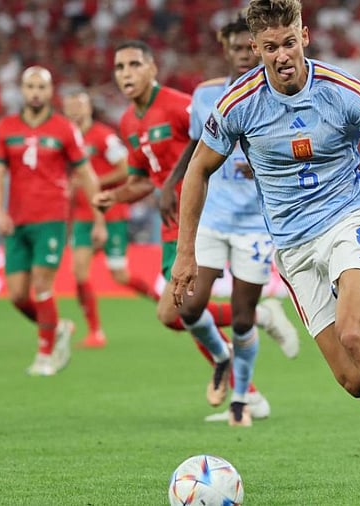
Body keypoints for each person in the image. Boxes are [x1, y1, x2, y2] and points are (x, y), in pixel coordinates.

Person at [170, 0, 360, 498]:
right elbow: (197, 170)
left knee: (353, 332)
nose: (281, 55)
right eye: (269, 47)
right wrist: (185, 252)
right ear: (255, 48)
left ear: (303, 35)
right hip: (293, 245)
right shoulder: (238, 104)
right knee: (352, 376)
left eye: (288, 42)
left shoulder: (342, 92)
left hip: (352, 218)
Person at [93, 40, 274, 419]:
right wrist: (116, 196)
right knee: (182, 313)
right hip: (168, 226)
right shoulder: (128, 122)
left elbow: (204, 146)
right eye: (119, 67)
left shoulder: (179, 105)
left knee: (175, 312)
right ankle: (247, 359)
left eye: (133, 64)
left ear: (152, 68)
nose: (126, 73)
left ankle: (242, 362)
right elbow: (143, 179)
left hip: (199, 219)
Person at [159, 16, 300, 426]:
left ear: (259, 49)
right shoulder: (205, 95)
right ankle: (221, 358)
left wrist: (269, 166)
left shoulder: (276, 93)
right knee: (187, 305)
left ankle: (240, 402)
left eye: (249, 48)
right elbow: (195, 144)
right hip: (214, 217)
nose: (243, 55)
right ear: (226, 49)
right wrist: (172, 181)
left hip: (255, 222)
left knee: (241, 317)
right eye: (236, 48)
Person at [0, 66, 106, 375]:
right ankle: (57, 326)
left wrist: (98, 218)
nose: (35, 92)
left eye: (41, 87)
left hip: (51, 218)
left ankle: (45, 355)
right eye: (30, 86)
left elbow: (86, 174)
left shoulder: (64, 129)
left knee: (42, 283)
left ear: (49, 91)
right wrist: (0, 211)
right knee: (16, 295)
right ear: (22, 90)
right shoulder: (5, 127)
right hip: (16, 220)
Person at [62, 87, 158, 348]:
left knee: (120, 275)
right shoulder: (67, 140)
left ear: (88, 108)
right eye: (70, 108)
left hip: (111, 214)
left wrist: (91, 181)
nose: (74, 112)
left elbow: (126, 169)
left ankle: (160, 299)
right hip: (83, 216)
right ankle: (95, 332)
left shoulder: (103, 137)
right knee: (79, 273)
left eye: (79, 106)